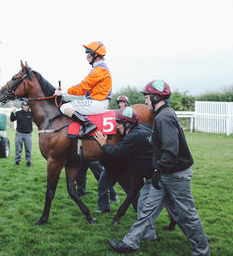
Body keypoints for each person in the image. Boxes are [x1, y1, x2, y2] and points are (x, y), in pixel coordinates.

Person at [108, 80, 210, 255]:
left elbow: (170, 150)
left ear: (155, 97)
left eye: (147, 97)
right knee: (147, 209)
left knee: (186, 215)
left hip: (175, 175)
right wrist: (158, 171)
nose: (145, 101)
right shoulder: (163, 114)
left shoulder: (164, 117)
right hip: (165, 174)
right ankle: (130, 243)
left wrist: (157, 170)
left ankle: (202, 250)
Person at [94, 107, 155, 239]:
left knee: (143, 204)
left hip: (158, 177)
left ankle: (139, 238)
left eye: (119, 123)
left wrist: (103, 144)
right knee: (174, 207)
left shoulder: (134, 136)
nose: (117, 126)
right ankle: (149, 235)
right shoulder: (144, 128)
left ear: (128, 124)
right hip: (156, 174)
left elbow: (115, 152)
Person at [54, 40, 112, 138]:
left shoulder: (99, 70)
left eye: (88, 54)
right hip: (97, 102)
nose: (86, 57)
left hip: (98, 103)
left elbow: (82, 87)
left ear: (95, 54)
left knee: (64, 107)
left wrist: (63, 92)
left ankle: (88, 125)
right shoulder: (99, 68)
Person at [10, 101, 33, 167]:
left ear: (29, 106)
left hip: (28, 135)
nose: (25, 107)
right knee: (18, 149)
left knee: (28, 149)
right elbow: (12, 119)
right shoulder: (18, 113)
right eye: (24, 106)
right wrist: (12, 112)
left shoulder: (31, 114)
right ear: (22, 106)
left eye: (27, 106)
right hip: (19, 134)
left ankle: (28, 162)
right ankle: (17, 161)